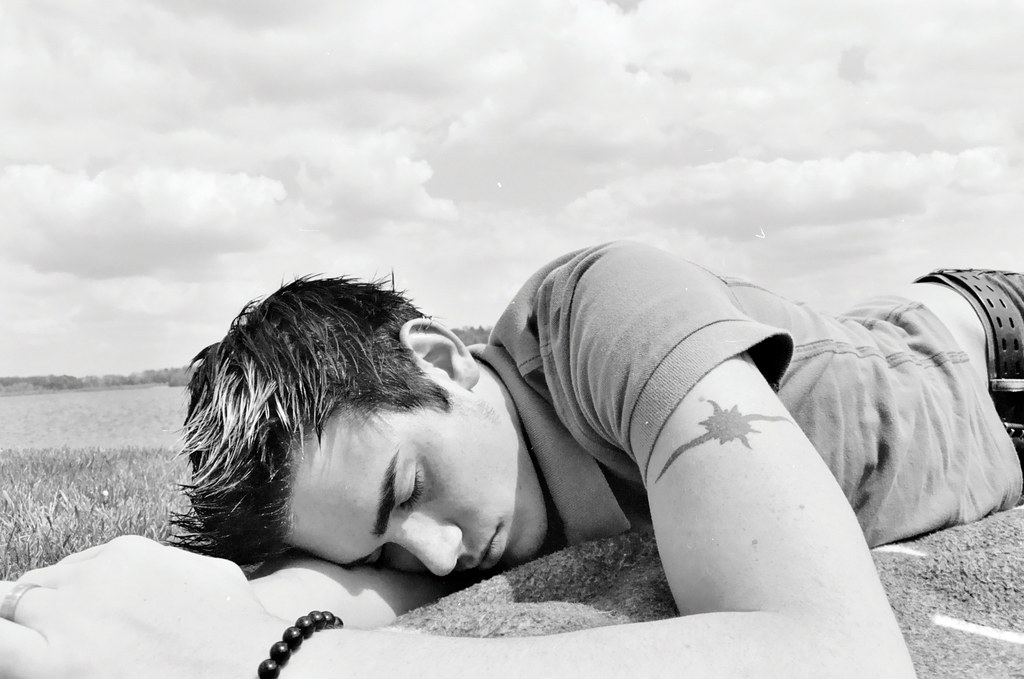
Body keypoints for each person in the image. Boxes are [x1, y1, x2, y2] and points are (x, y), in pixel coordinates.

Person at [1, 240, 1021, 679]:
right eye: (390, 550)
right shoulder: (445, 521)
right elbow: (276, 596)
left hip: (959, 342)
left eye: (407, 488)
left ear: (440, 361)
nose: (439, 556)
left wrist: (288, 664)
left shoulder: (596, 309)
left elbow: (842, 659)